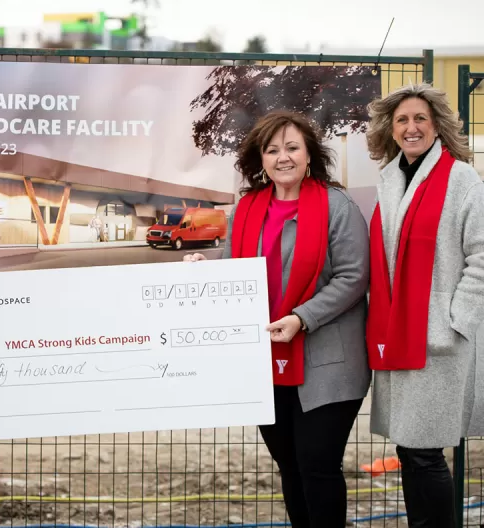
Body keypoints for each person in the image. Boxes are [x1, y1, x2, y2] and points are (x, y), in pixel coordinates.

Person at [185, 111, 371, 527]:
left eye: (292, 147)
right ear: (261, 159)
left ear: (309, 155)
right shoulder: (247, 208)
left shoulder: (337, 206)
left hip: (327, 363)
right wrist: (205, 265)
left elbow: (355, 277)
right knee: (290, 465)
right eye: (272, 150)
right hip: (264, 360)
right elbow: (238, 267)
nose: (282, 157)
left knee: (316, 464)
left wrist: (302, 318)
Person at [365, 82, 484, 527]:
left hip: (440, 341)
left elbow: (482, 255)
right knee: (410, 449)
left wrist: (456, 319)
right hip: (399, 332)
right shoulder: (390, 179)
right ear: (390, 129)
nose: (410, 127)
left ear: (436, 125)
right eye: (401, 120)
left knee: (424, 450)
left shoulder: (461, 179)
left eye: (419, 119)